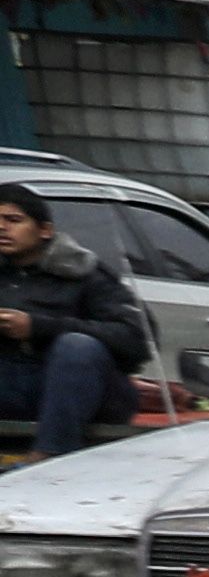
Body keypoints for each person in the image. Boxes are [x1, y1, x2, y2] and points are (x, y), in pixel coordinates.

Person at [0, 183, 152, 456]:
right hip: (15, 387)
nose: (2, 228)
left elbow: (138, 338)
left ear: (45, 230)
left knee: (77, 346)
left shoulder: (84, 273)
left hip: (86, 394)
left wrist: (37, 327)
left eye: (13, 220)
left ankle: (48, 456)